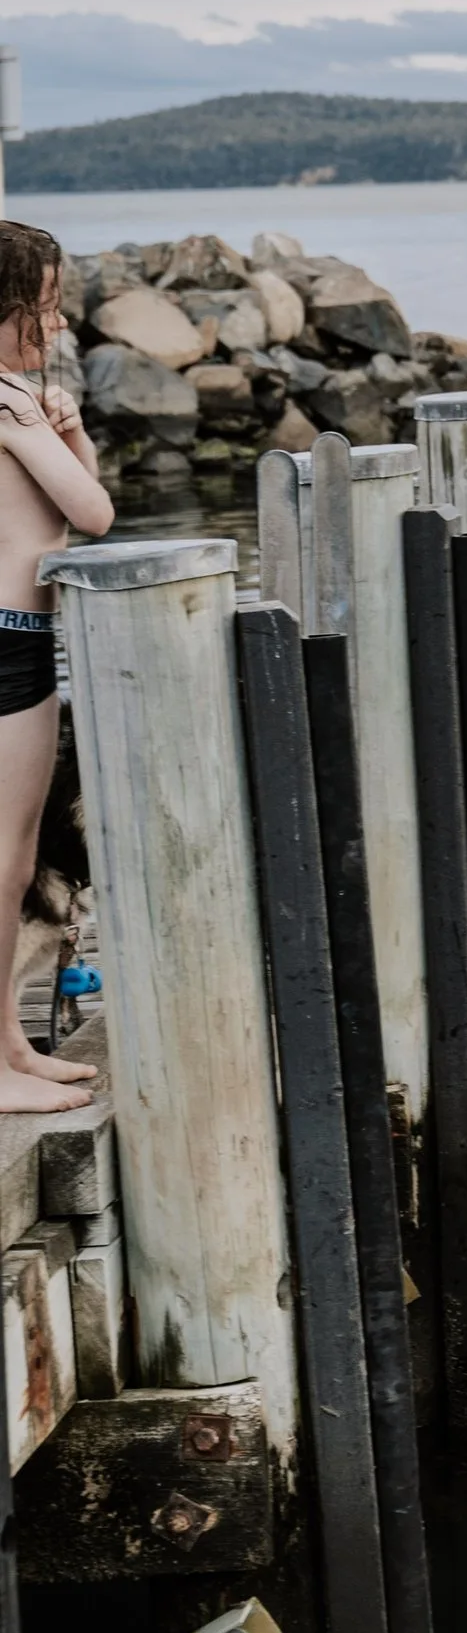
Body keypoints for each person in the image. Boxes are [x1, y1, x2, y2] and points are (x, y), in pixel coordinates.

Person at [0, 220, 114, 1115]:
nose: (61, 326)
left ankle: (10, 1043)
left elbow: (71, 516)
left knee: (19, 854)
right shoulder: (3, 403)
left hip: (22, 639)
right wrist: (53, 430)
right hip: (4, 640)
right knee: (2, 859)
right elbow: (93, 511)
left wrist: (65, 431)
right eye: (45, 307)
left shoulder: (16, 402)